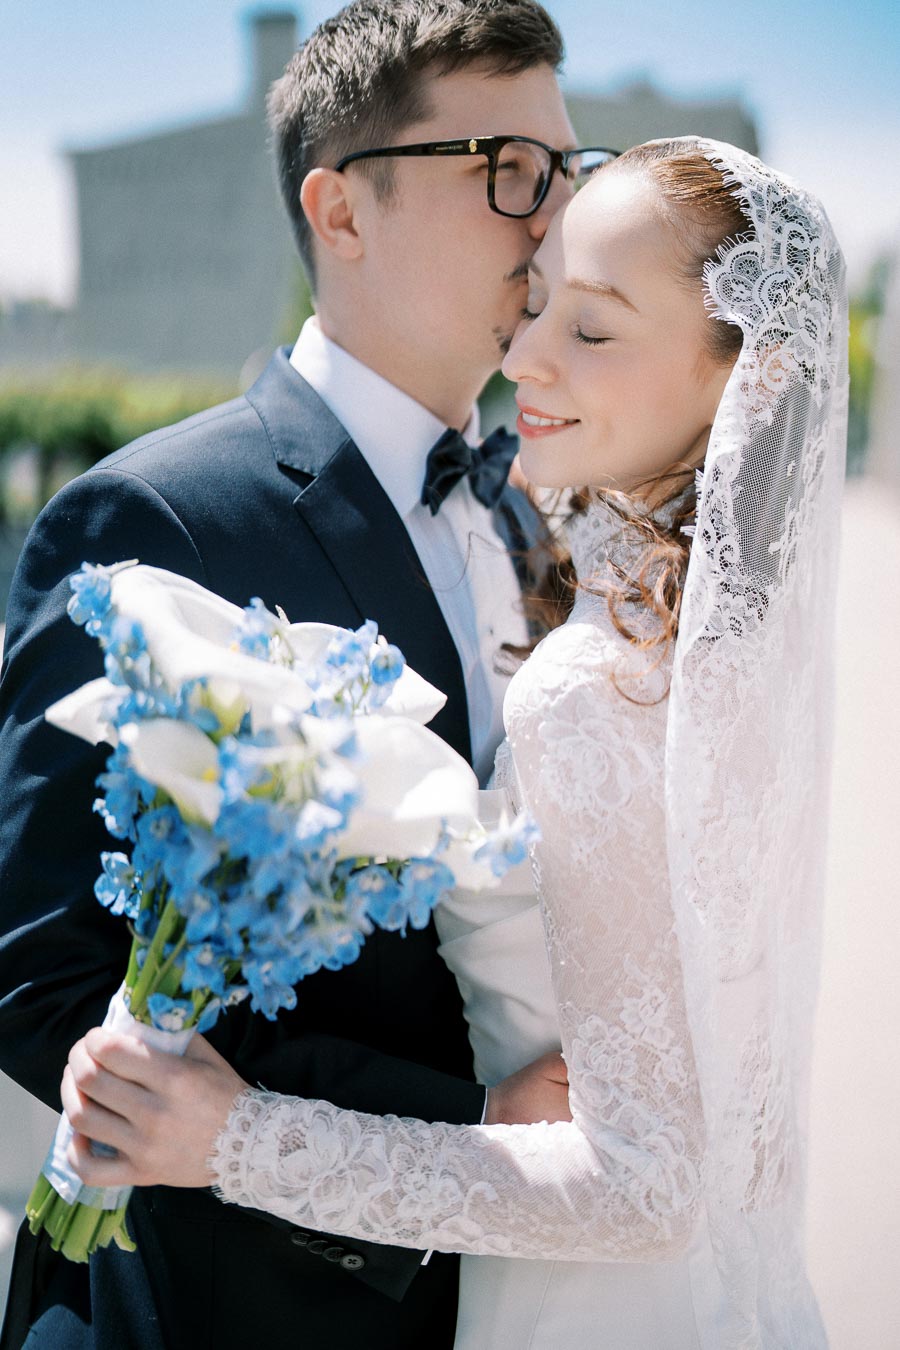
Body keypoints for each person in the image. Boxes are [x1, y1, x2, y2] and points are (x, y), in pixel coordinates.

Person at [62, 136, 848, 1350]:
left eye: (592, 330)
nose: (525, 356)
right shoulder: (716, 651)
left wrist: (235, 1138)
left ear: (744, 374)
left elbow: (646, 1186)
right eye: (535, 306)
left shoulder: (597, 687)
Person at [0, 3, 608, 1346]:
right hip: (240, 1304)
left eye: (573, 174)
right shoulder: (151, 522)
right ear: (342, 209)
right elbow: (41, 978)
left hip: (536, 1285)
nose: (558, 224)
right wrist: (459, 1142)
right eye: (512, 172)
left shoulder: (537, 514)